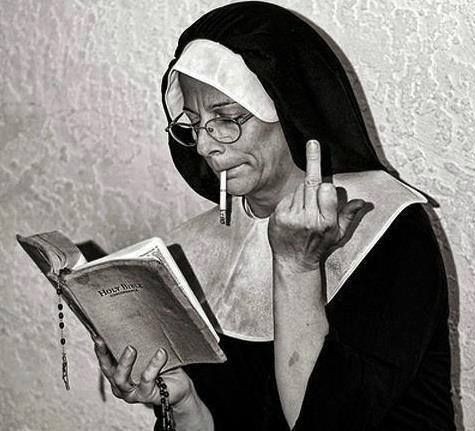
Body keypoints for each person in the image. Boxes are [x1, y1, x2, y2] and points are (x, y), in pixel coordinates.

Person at [94, 2, 456, 430]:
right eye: (193, 123)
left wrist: (296, 266)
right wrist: (185, 403)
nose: (206, 146)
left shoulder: (387, 229)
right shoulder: (193, 248)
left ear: (289, 109)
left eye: (227, 118)